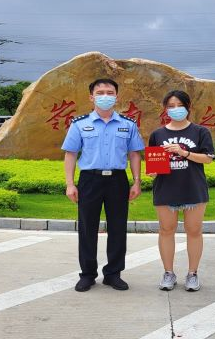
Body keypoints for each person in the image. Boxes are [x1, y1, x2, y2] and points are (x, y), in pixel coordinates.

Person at [62, 78, 144, 292]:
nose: (105, 96)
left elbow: (134, 154)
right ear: (91, 97)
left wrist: (136, 181)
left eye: (110, 92)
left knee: (118, 228)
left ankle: (113, 274)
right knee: (87, 228)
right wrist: (70, 184)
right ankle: (87, 274)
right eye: (100, 93)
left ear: (116, 96)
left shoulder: (128, 124)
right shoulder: (80, 124)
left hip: (118, 180)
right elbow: (71, 154)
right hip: (90, 180)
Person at [147, 90, 215, 292]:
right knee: (166, 230)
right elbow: (154, 164)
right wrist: (152, 170)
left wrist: (183, 152)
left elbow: (208, 158)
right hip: (166, 189)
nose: (175, 109)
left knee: (194, 230)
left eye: (179, 105)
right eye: (171, 106)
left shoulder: (200, 132)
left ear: (188, 107)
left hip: (193, 188)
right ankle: (168, 273)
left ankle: (192, 274)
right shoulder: (158, 134)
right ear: (165, 109)